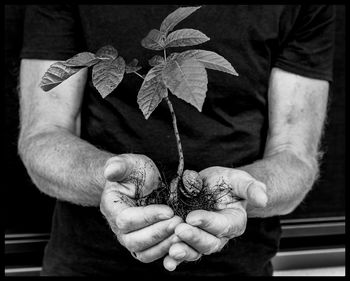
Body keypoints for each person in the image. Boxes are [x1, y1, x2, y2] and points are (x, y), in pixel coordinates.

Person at [17, 5, 334, 277]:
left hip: (238, 266)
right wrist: (106, 177)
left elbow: (294, 155)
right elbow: (43, 135)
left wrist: (245, 191)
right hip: (87, 263)